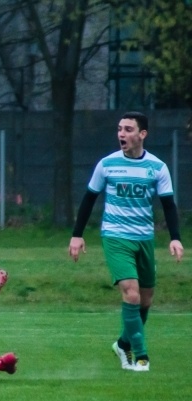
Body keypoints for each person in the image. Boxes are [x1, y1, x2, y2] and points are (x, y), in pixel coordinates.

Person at [68, 111, 184, 372]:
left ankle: (122, 343)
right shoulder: (107, 164)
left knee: (145, 300)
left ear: (142, 134)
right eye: (120, 129)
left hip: (144, 239)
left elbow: (168, 205)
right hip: (115, 236)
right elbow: (89, 199)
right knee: (130, 293)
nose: (122, 134)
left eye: (129, 129)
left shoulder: (157, 167)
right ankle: (140, 356)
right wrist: (77, 234)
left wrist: (175, 238)